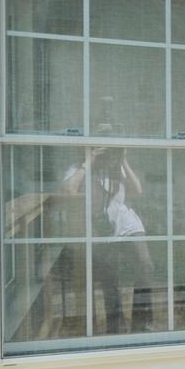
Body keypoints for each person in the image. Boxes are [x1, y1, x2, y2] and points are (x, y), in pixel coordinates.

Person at [64, 131, 157, 333]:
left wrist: (123, 160)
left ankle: (142, 324)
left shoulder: (116, 167)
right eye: (99, 146)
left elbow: (137, 191)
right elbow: (70, 190)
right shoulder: (78, 167)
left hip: (127, 223)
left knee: (145, 265)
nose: (104, 152)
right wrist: (89, 161)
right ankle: (116, 327)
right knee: (110, 276)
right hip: (100, 228)